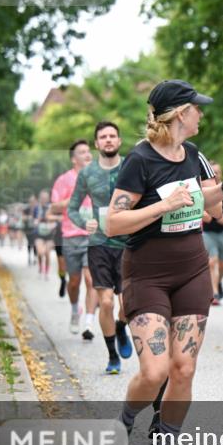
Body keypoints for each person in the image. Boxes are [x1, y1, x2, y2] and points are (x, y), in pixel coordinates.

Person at [107, 79, 223, 445]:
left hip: (192, 271)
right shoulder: (139, 160)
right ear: (178, 114)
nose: (201, 113)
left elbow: (209, 204)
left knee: (183, 369)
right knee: (155, 372)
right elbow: (114, 222)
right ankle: (123, 423)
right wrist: (161, 206)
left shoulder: (193, 154)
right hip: (147, 274)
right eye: (196, 108)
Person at [68, 121, 135, 374]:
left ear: (119, 141)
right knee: (106, 302)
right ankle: (112, 356)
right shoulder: (87, 174)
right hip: (99, 244)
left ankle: (121, 326)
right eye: (103, 137)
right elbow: (72, 208)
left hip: (128, 243)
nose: (108, 140)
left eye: (112, 136)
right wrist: (84, 223)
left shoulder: (131, 166)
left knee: (127, 304)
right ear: (97, 143)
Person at [50, 140, 99, 340]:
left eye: (89, 151)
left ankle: (89, 323)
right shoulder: (64, 180)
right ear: (73, 159)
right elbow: (54, 207)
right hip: (70, 237)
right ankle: (74, 310)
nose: (88, 155)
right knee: (74, 282)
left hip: (92, 236)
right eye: (82, 152)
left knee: (90, 279)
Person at [202, 160, 223, 305]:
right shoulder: (205, 189)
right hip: (208, 231)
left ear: (221, 173)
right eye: (212, 172)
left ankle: (218, 281)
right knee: (212, 261)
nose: (215, 174)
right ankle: (214, 293)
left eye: (217, 172)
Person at [32, 189, 57, 278]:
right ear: (40, 198)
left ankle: (46, 272)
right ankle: (40, 268)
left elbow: (56, 220)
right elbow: (33, 220)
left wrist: (52, 225)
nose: (44, 199)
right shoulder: (36, 208)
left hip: (49, 234)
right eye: (42, 197)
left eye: (45, 198)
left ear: (48, 198)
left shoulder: (52, 207)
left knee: (47, 253)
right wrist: (36, 221)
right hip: (39, 233)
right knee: (40, 252)